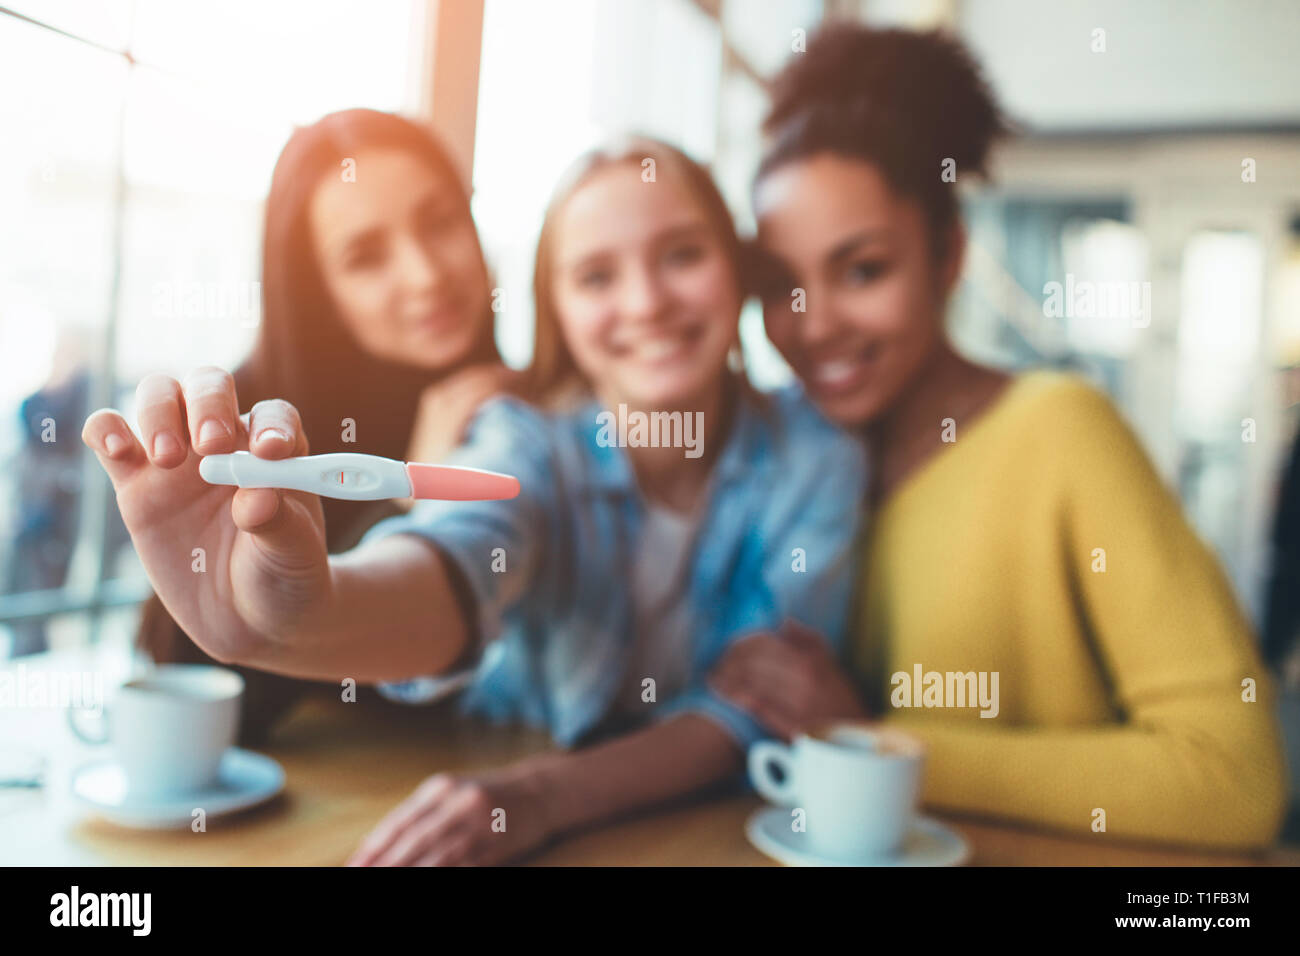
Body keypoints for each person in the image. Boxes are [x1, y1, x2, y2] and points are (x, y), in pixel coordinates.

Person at [83, 136, 865, 865]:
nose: (648, 301)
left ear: (736, 267)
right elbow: (450, 562)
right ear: (554, 305)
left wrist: (538, 796)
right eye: (596, 275)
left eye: (684, 255)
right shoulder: (521, 438)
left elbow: (754, 708)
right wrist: (302, 610)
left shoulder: (817, 456)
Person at [710, 24, 1287, 851]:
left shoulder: (1060, 430)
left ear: (948, 255)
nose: (817, 326)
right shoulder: (796, 467)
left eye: (863, 269)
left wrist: (876, 744)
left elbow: (1234, 780)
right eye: (781, 287)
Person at [134, 109, 514, 742]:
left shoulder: (515, 411)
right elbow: (196, 702)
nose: (427, 276)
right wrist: (404, 496)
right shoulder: (250, 430)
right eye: (366, 257)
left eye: (441, 222)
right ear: (316, 289)